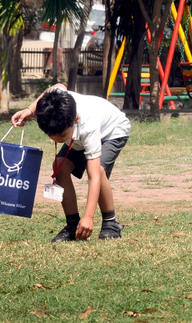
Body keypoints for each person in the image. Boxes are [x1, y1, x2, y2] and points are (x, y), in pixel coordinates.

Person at [12, 85, 130, 242]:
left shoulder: (88, 126)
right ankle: (73, 225)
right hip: (77, 136)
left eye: (60, 135)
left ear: (75, 119)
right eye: (51, 135)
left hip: (112, 131)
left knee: (99, 170)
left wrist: (88, 217)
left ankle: (110, 222)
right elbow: (57, 87)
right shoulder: (61, 106)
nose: (56, 139)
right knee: (59, 166)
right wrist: (29, 110)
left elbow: (94, 176)